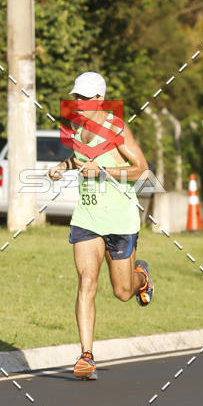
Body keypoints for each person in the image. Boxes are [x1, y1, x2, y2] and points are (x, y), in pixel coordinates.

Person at [49, 72, 154, 381]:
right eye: (75, 97)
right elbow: (79, 157)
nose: (77, 103)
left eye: (82, 98)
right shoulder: (77, 129)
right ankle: (86, 356)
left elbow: (143, 171)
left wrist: (104, 170)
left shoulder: (117, 128)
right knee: (86, 282)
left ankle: (142, 278)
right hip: (87, 218)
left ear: (99, 100)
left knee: (122, 292)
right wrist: (62, 167)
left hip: (120, 221)